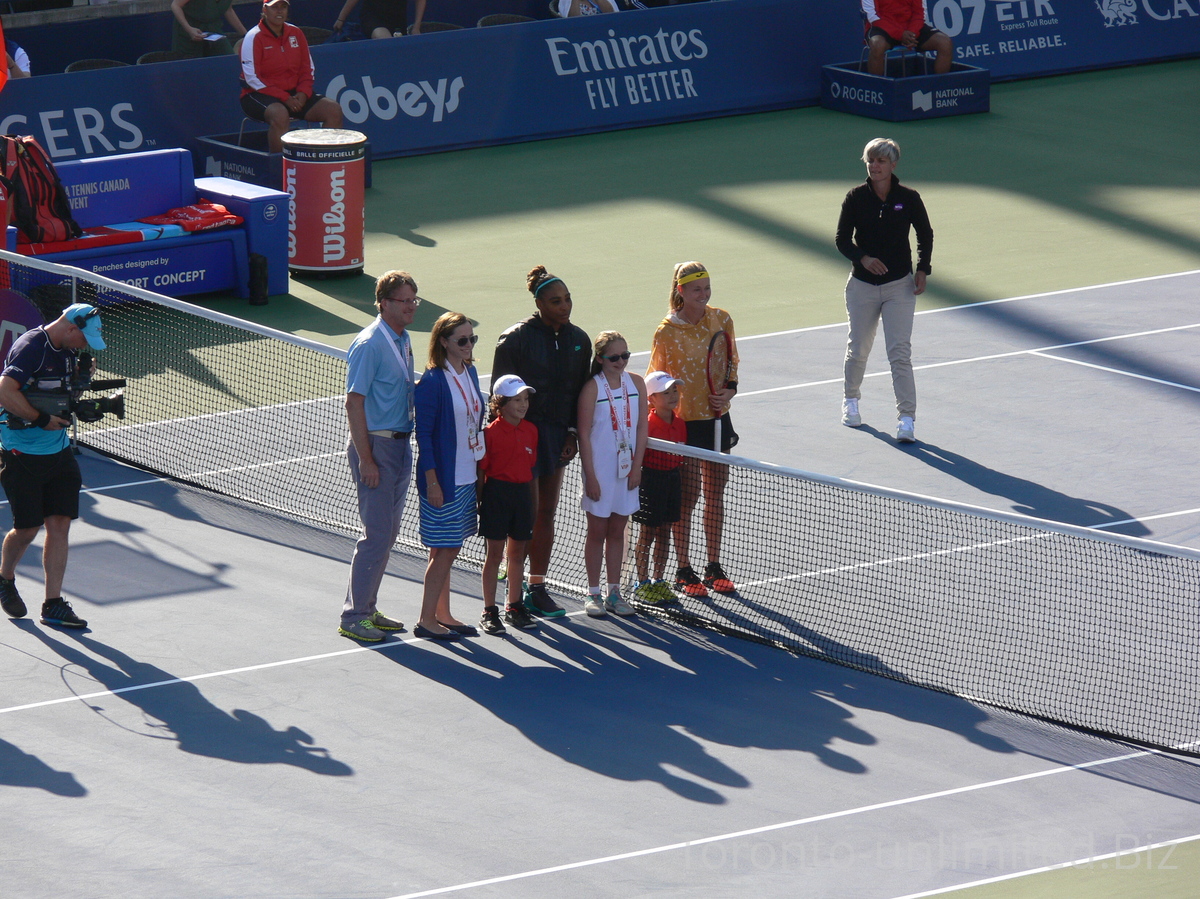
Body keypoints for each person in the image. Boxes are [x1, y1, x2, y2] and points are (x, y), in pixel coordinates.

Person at [490, 265, 591, 620]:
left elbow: (580, 393)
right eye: (555, 301)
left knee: (546, 512)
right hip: (521, 440)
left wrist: (572, 435)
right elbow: (498, 398)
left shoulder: (580, 340)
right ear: (539, 303)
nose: (564, 306)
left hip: (557, 439)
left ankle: (536, 587)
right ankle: (512, 587)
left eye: (567, 299)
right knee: (526, 514)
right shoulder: (515, 339)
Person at [0, 303, 108, 629]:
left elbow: (59, 394)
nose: (85, 344)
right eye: (84, 337)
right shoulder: (32, 347)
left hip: (59, 451)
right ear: (70, 327)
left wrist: (82, 397)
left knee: (59, 524)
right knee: (28, 529)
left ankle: (53, 604)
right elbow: (5, 389)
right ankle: (4, 578)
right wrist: (41, 419)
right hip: (22, 453)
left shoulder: (68, 352)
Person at [647, 260, 739, 599]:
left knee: (715, 494)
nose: (704, 294)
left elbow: (732, 364)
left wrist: (729, 391)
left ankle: (713, 565)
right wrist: (659, 421)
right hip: (683, 426)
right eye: (696, 289)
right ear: (681, 291)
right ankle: (684, 568)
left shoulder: (722, 319)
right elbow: (655, 381)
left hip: (717, 420)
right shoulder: (666, 332)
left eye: (707, 287)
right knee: (686, 499)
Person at [835, 137, 934, 444]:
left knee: (899, 354)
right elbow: (841, 239)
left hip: (899, 288)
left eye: (880, 161)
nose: (874, 166)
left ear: (893, 164)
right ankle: (850, 401)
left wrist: (922, 269)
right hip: (862, 287)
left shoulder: (909, 197)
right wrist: (862, 258)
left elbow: (925, 234)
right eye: (870, 161)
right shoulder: (855, 198)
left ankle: (906, 419)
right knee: (859, 348)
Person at [340, 271, 418, 643]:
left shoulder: (402, 340)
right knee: (376, 534)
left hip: (401, 446)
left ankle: (367, 607)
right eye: (404, 300)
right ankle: (353, 616)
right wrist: (366, 458)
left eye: (414, 299)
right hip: (376, 447)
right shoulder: (370, 343)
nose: (411, 305)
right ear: (384, 303)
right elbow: (354, 402)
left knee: (388, 534)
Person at [414, 311, 486, 640]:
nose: (469, 344)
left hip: (467, 475)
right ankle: (426, 619)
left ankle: (442, 613)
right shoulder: (431, 382)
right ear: (444, 342)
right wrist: (432, 482)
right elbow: (424, 436)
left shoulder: (468, 373)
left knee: (444, 550)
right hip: (443, 479)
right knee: (446, 549)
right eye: (462, 340)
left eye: (472, 339)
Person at [577, 331, 646, 618]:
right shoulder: (592, 389)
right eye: (614, 357)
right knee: (597, 532)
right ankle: (593, 593)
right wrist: (590, 477)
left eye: (625, 356)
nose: (621, 362)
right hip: (600, 473)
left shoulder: (637, 383)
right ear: (601, 359)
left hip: (627, 472)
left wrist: (637, 466)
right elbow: (583, 433)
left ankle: (614, 593)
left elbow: (642, 428)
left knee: (618, 531)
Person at [477, 375, 540, 635]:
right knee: (494, 555)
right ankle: (489, 611)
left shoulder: (531, 430)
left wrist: (531, 503)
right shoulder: (489, 434)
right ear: (500, 404)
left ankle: (514, 606)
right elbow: (482, 472)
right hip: (496, 496)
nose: (523, 404)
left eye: (525, 399)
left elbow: (530, 469)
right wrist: (480, 501)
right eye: (516, 400)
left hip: (521, 496)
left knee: (517, 554)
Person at [240, 0, 344, 153]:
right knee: (280, 115)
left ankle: (323, 161)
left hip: (294, 95)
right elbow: (252, 78)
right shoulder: (253, 37)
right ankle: (279, 170)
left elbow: (307, 68)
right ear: (264, 10)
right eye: (274, 7)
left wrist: (303, 93)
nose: (279, 11)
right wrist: (284, 97)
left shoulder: (296, 33)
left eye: (283, 7)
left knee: (333, 110)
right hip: (257, 94)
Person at [631, 371, 686, 606]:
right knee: (647, 534)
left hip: (673, 480)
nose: (673, 395)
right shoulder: (647, 425)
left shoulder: (681, 423)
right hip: (651, 482)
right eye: (666, 392)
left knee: (665, 532)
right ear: (651, 398)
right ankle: (642, 584)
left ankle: (659, 580)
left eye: (674, 390)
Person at [862, 0, 953, 76]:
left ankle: (938, 90)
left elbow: (919, 13)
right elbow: (873, 17)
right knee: (877, 45)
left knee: (944, 43)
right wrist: (900, 34)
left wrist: (912, 33)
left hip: (910, 29)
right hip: (882, 28)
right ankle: (878, 92)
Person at [172, 0, 248, 58]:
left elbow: (228, 10)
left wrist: (246, 36)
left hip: (214, 32)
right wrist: (189, 29)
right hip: (189, 34)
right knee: (192, 70)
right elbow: (175, 5)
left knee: (228, 60)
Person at [334, 0, 426, 38]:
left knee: (397, 50)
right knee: (384, 39)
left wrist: (416, 26)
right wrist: (341, 18)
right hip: (373, 16)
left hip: (397, 20)